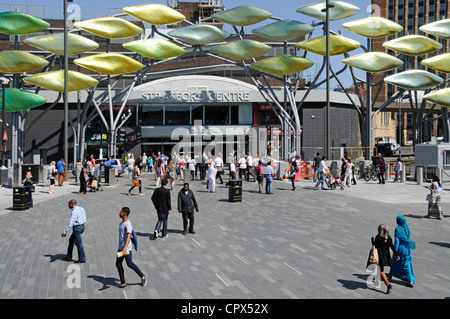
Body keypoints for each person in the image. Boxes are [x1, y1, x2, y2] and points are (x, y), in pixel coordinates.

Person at [116, 207, 147, 288]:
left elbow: (129, 236)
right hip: (121, 248)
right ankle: (123, 282)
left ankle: (142, 276)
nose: (120, 213)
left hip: (126, 249)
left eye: (121, 212)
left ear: (125, 213)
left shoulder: (128, 224)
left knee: (129, 264)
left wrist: (125, 248)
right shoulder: (121, 223)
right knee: (118, 264)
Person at [368, 224, 399, 294]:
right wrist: (397, 255)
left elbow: (375, 246)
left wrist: (372, 241)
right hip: (386, 256)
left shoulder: (378, 237)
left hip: (380, 257)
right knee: (379, 269)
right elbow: (392, 247)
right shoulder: (389, 238)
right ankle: (377, 282)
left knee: (381, 271)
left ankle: (388, 285)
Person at [389, 215, 416, 288]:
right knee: (407, 263)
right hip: (407, 249)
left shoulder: (398, 229)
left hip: (400, 250)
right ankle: (391, 274)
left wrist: (395, 251)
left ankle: (410, 281)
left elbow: (397, 242)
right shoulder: (407, 228)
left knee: (396, 263)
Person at [62, 199, 87, 263]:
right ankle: (69, 256)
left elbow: (71, 223)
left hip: (77, 228)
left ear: (72, 204)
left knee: (79, 243)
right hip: (82, 227)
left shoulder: (74, 211)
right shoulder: (81, 208)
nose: (68, 206)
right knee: (71, 240)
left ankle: (82, 259)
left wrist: (65, 232)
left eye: (69, 204)